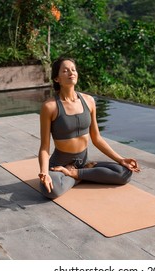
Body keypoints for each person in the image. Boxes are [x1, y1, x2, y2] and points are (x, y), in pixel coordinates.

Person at [38, 57, 140, 199]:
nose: (71, 73)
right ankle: (82, 174)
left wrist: (121, 160)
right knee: (50, 190)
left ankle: (76, 174)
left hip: (83, 162)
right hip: (59, 165)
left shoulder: (89, 101)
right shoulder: (50, 106)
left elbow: (97, 138)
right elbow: (44, 147)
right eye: (65, 70)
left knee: (124, 173)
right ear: (57, 78)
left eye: (73, 70)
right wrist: (44, 172)